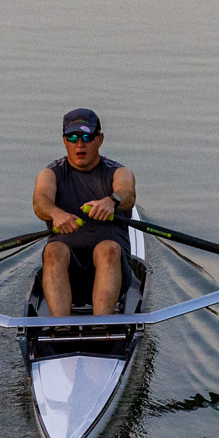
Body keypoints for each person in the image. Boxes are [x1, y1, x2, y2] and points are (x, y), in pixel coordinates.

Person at [32, 107, 137, 319]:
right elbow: (40, 202)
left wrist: (112, 201)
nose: (80, 144)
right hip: (67, 276)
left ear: (100, 139)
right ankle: (60, 327)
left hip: (114, 273)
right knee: (53, 251)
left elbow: (128, 193)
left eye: (88, 137)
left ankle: (102, 327)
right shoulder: (50, 174)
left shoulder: (117, 172)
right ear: (64, 141)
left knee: (108, 249)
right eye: (72, 137)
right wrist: (55, 214)